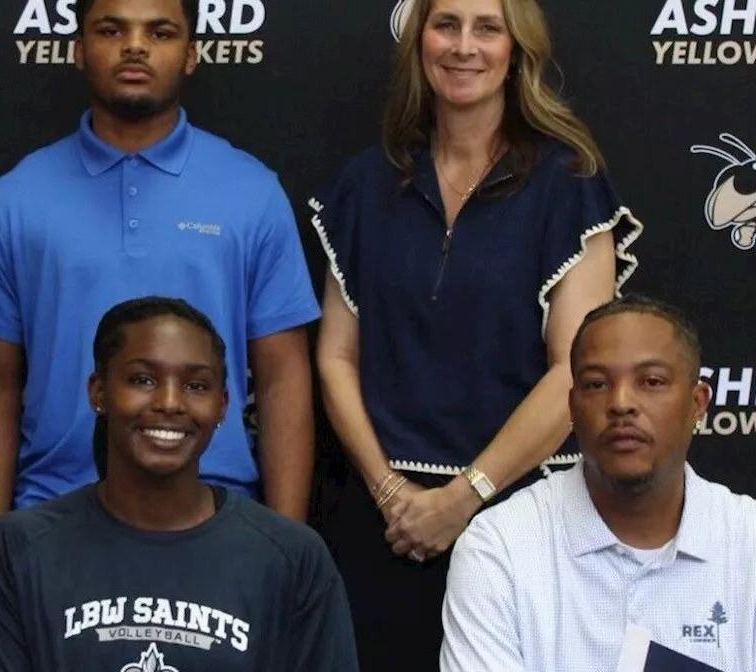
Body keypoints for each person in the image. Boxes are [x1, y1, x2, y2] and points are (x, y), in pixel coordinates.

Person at [312, 0, 645, 667]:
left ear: (517, 49)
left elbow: (574, 372)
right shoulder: (365, 182)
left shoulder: (569, 182)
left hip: (523, 515)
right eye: (447, 24)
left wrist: (464, 500)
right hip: (384, 521)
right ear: (419, 41)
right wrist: (392, 495)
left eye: (487, 28)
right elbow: (335, 357)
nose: (464, 46)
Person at [0, 0, 320, 547]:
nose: (134, 45)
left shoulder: (252, 193)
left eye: (159, 31)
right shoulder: (11, 202)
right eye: (111, 29)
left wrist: (289, 553)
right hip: (53, 515)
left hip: (218, 518)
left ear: (191, 54)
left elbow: (282, 379)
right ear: (78, 48)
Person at [0, 296, 358, 671]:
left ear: (222, 405)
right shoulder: (17, 550)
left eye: (196, 385)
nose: (170, 402)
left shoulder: (292, 558)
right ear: (99, 392)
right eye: (143, 379)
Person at [441, 294, 756, 671]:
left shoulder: (747, 540)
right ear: (572, 407)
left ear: (699, 403)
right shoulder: (500, 545)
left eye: (651, 381)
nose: (621, 403)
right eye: (596, 384)